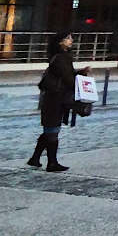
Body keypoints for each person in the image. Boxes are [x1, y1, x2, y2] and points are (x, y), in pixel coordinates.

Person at [28, 32, 88, 172]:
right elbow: (67, 78)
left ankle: (35, 158)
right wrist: (80, 86)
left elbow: (67, 75)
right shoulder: (61, 58)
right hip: (55, 98)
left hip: (54, 98)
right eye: (68, 38)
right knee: (52, 130)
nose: (71, 40)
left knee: (50, 129)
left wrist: (80, 73)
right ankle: (52, 163)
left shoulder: (62, 57)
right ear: (60, 42)